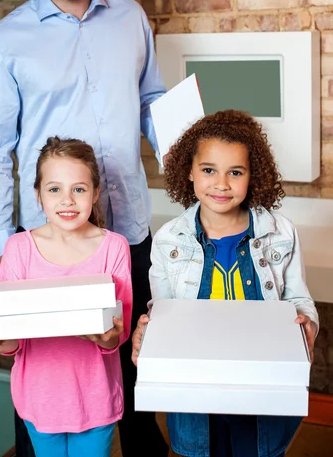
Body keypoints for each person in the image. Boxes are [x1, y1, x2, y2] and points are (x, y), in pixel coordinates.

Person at [0, 0, 168, 456]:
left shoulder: (130, 18)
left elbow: (152, 102)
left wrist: (195, 177)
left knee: (134, 384)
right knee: (47, 384)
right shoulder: (6, 40)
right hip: (48, 249)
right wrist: (9, 244)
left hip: (127, 232)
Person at [131, 109, 319, 457]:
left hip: (263, 389)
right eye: (208, 171)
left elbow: (299, 300)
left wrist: (307, 325)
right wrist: (149, 332)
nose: (221, 184)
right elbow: (163, 309)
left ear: (253, 176)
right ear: (188, 171)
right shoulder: (170, 239)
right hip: (196, 393)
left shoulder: (281, 233)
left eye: (235, 172)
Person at [0, 136, 133, 457]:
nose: (67, 200)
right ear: (38, 196)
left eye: (79, 189)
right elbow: (14, 339)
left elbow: (119, 333)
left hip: (95, 398)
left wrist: (105, 338)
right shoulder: (17, 250)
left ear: (96, 193)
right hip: (38, 401)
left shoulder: (114, 247)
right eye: (55, 189)